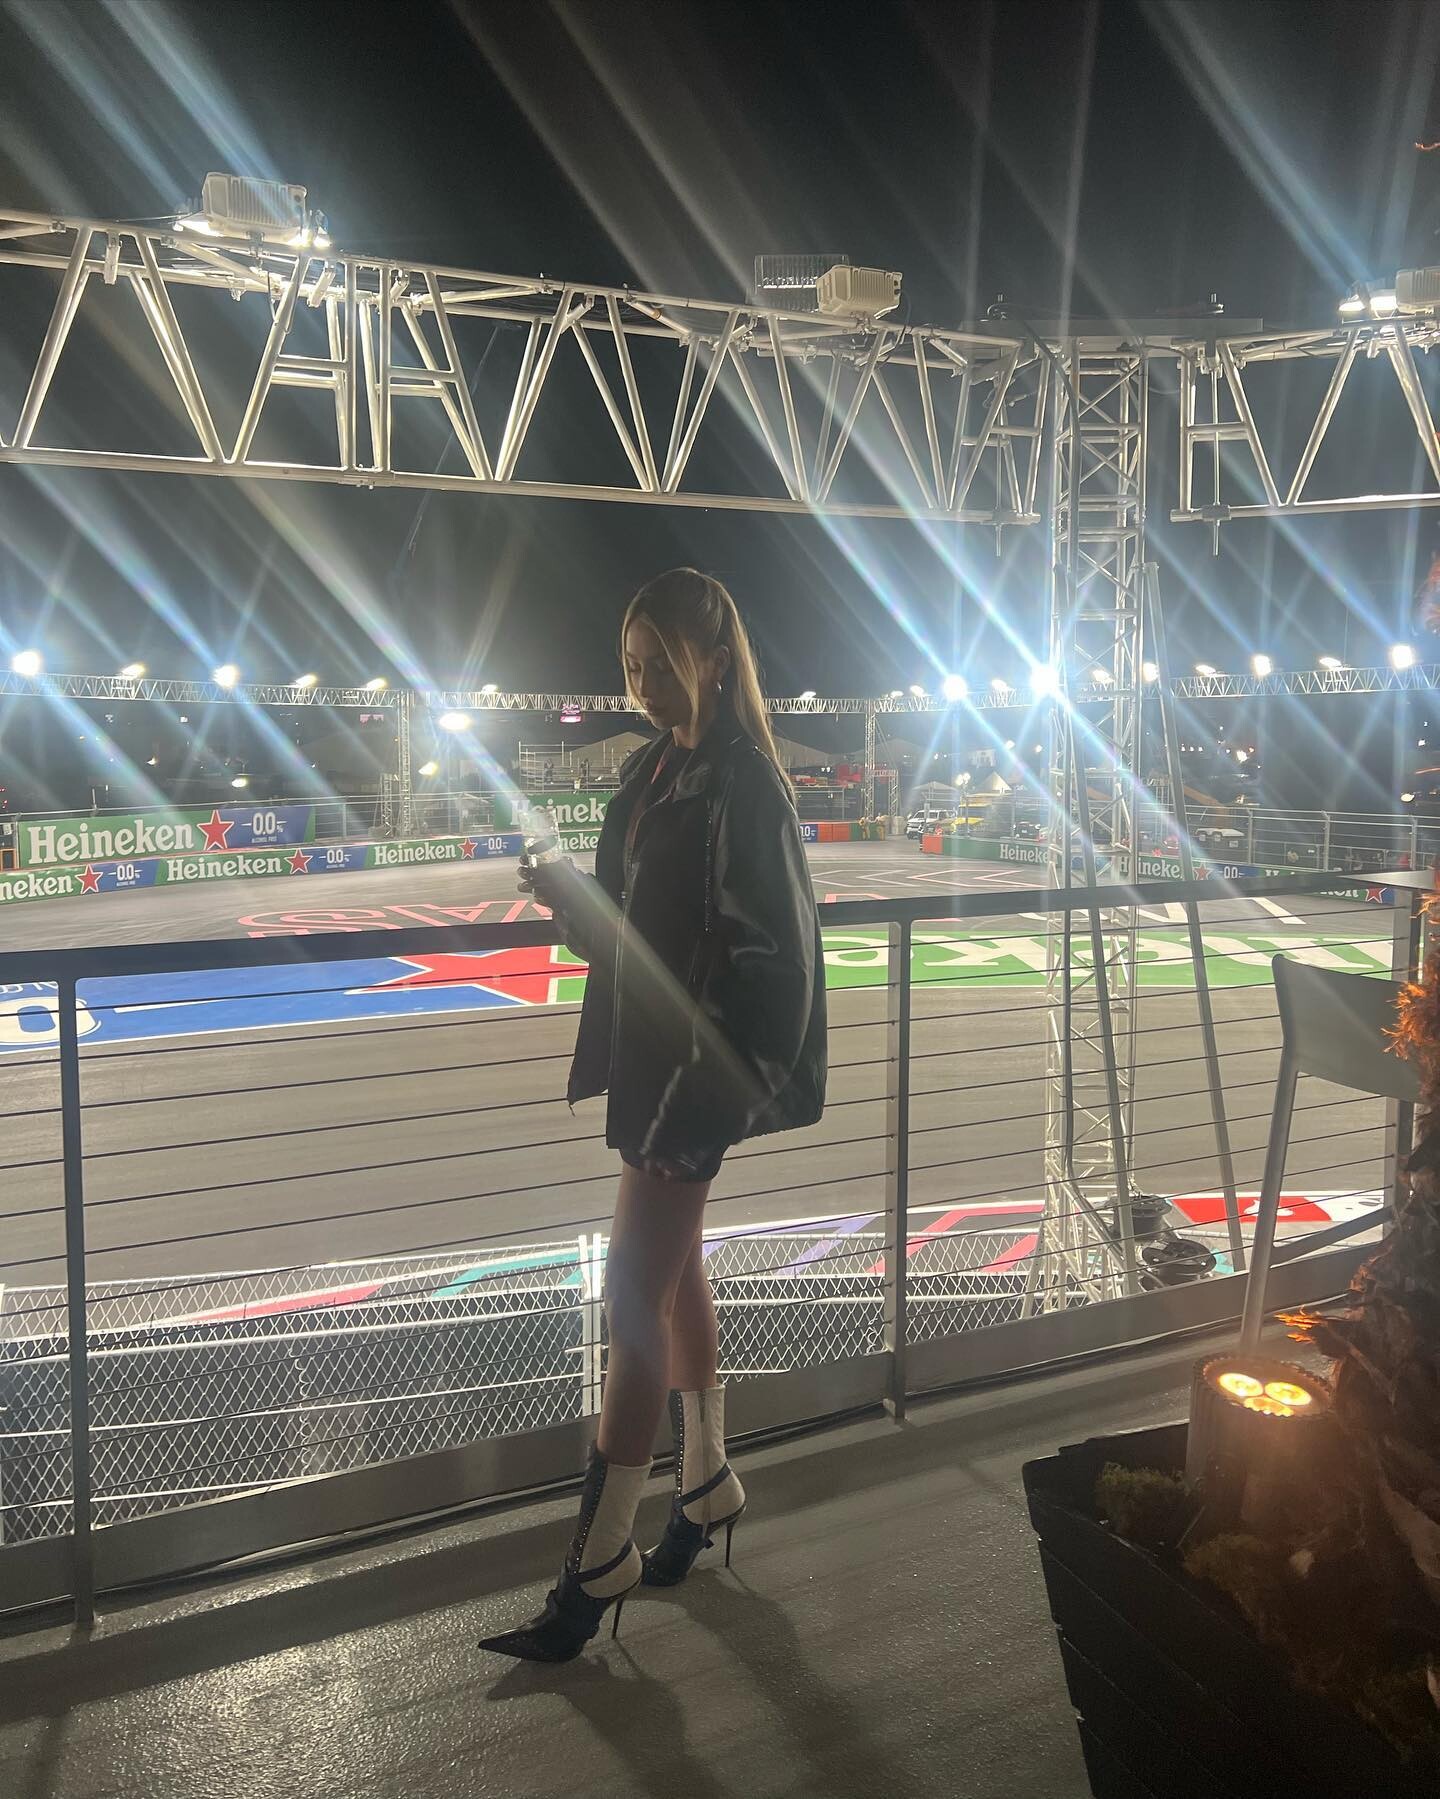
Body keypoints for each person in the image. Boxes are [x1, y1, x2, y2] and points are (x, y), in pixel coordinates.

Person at [480, 567, 827, 1664]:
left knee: (631, 1294)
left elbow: (777, 968)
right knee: (673, 1277)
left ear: (716, 661)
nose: (640, 685)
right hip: (650, 1059)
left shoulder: (745, 785)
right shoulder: (654, 768)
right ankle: (709, 1481)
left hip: (693, 1075)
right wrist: (568, 895)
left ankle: (598, 1559)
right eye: (629, 666)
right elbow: (635, 934)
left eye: (658, 664)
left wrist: (711, 1092)